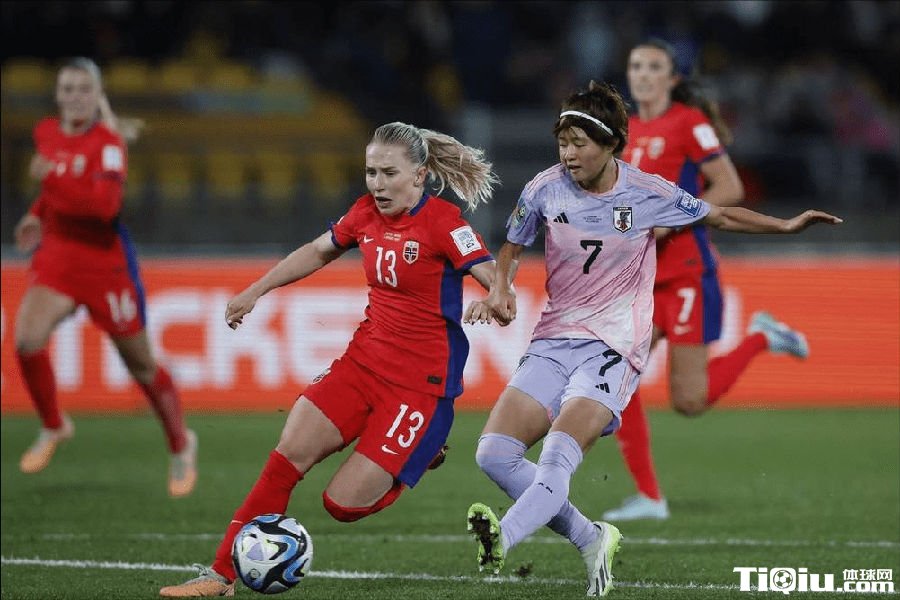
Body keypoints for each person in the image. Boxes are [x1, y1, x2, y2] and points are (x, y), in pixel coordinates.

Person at [463, 80, 841, 596]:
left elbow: (719, 213)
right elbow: (512, 245)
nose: (568, 154)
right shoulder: (544, 188)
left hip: (613, 348)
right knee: (493, 454)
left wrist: (786, 225)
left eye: (579, 143)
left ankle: (501, 538)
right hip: (553, 339)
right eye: (562, 143)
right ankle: (592, 537)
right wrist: (501, 289)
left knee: (556, 455)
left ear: (611, 143)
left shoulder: (646, 192)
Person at [159, 121, 502, 597]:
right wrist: (257, 290)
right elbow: (318, 251)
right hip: (361, 365)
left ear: (420, 176)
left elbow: (491, 274)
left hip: (419, 388)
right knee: (286, 455)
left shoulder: (445, 222)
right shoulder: (363, 213)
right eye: (371, 172)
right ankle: (220, 576)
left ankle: (422, 451)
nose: (378, 184)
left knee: (340, 504)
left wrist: (497, 297)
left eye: (389, 173)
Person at [603, 39, 812, 522]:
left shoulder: (688, 123)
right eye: (636, 65)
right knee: (614, 378)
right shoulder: (622, 130)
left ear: (673, 78)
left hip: (686, 273)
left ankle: (761, 337)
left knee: (689, 402)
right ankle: (649, 498)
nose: (643, 74)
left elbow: (729, 186)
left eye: (654, 66)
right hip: (638, 277)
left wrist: (671, 220)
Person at [12, 57, 197, 498]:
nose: (75, 97)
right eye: (68, 89)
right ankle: (54, 424)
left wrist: (52, 178)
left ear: (98, 96)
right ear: (57, 95)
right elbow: (54, 190)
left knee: (141, 365)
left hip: (103, 265)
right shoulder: (46, 133)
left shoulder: (109, 144)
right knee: (27, 339)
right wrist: (36, 213)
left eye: (84, 89)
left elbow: (103, 208)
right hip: (59, 255)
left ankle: (180, 442)